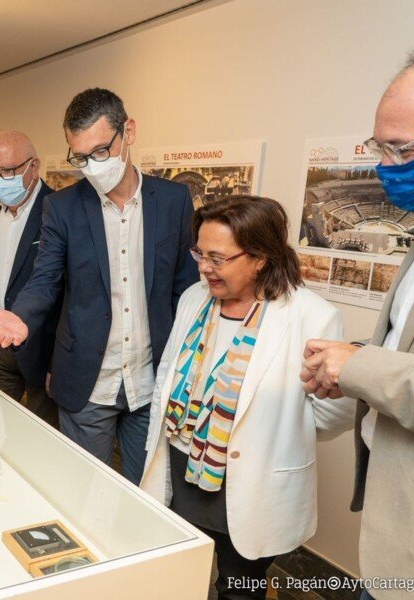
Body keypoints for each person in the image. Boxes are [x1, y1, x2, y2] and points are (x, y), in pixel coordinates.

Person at [0, 88, 198, 484]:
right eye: (80, 157)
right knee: (81, 487)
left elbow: (185, 287)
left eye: (100, 152)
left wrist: (190, 361)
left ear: (128, 132)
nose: (92, 167)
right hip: (87, 378)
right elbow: (45, 278)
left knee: (146, 491)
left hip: (150, 380)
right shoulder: (62, 208)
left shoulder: (173, 200)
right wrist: (23, 316)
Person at [139, 195, 354, 599]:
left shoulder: (310, 315)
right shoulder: (193, 300)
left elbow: (334, 411)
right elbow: (169, 374)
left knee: (241, 588)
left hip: (251, 483)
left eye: (218, 258)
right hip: (184, 471)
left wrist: (276, 429)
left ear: (260, 257)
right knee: (182, 577)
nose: (204, 267)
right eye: (199, 253)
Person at [300, 38, 414, 600]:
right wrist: (349, 360)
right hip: (398, 529)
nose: (384, 166)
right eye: (378, 147)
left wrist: (362, 367)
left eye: (399, 148)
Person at [0, 131, 60, 427]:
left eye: (7, 171)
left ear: (34, 166)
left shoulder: (59, 210)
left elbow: (69, 293)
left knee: (42, 437)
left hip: (43, 349)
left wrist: (59, 363)